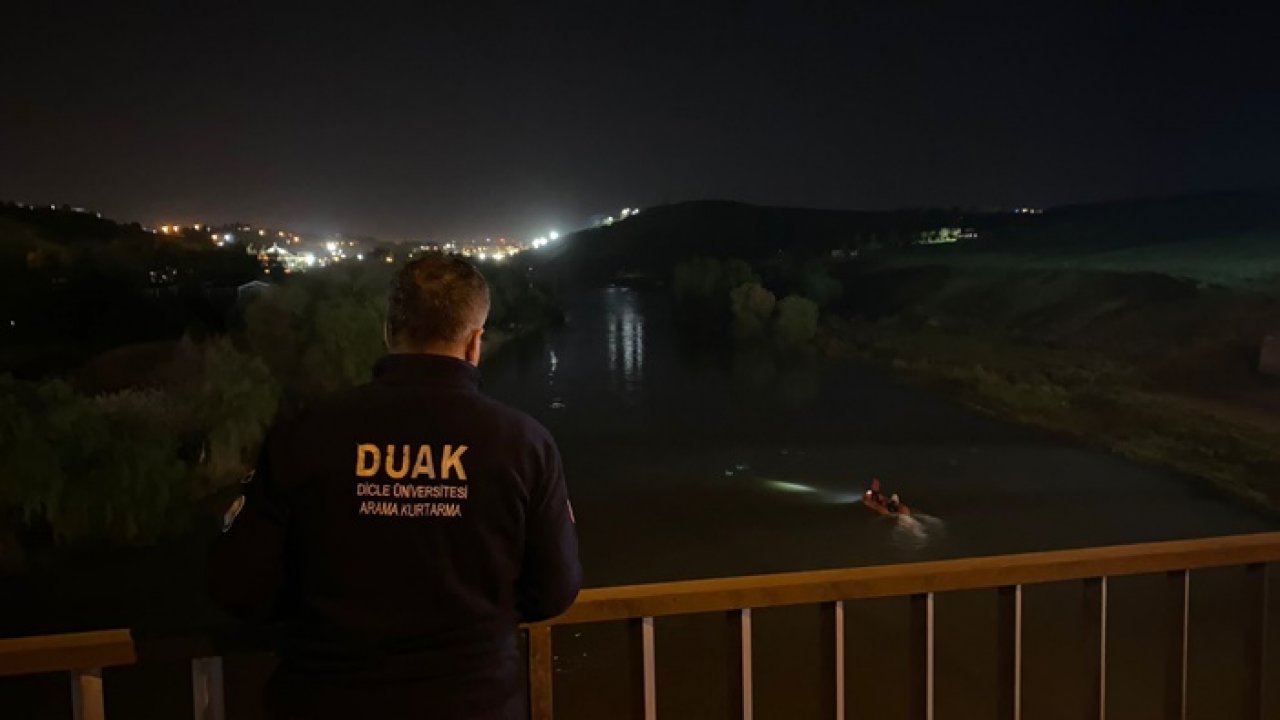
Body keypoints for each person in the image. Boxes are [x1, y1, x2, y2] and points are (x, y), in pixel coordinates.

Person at [208, 254, 582, 719]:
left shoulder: (306, 432)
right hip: (474, 705)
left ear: (389, 331)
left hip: (326, 702)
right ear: (475, 343)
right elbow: (554, 591)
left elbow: (239, 586)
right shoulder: (524, 445)